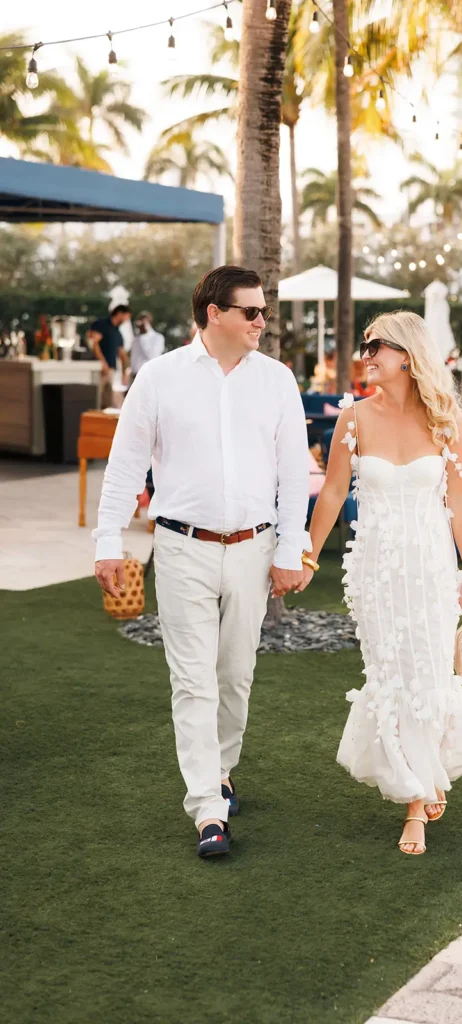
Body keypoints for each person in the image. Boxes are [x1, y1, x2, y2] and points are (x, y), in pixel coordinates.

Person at [93, 266, 310, 859]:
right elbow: (125, 464)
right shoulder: (159, 378)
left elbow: (294, 474)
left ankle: (222, 770)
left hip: (253, 547)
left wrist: (291, 549)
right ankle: (208, 811)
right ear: (214, 313)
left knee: (235, 675)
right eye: (252, 312)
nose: (263, 322)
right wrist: (107, 540)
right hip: (181, 546)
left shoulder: (277, 381)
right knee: (192, 681)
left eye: (264, 312)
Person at [299, 311, 462, 856]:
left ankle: (417, 802)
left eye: (375, 345)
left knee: (428, 670)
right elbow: (333, 493)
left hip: (431, 567)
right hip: (376, 570)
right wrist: (309, 556)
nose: (365, 353)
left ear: (406, 354)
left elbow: (460, 501)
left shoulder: (446, 420)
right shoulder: (353, 418)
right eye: (364, 345)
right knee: (391, 671)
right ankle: (415, 780)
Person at [88, 305, 131, 408]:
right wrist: (102, 363)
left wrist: (124, 374)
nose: (127, 320)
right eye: (127, 316)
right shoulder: (101, 325)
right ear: (120, 313)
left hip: (110, 370)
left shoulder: (118, 333)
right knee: (95, 400)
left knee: (107, 401)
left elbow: (122, 355)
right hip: (98, 368)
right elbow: (94, 344)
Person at [128, 311, 165, 383]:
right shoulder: (136, 339)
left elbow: (152, 356)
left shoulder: (157, 338)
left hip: (148, 376)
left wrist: (144, 336)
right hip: (134, 376)